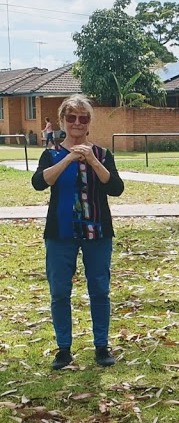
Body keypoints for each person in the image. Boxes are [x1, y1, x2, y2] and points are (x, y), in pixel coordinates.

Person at [31, 95, 125, 369]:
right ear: (62, 121)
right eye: (70, 117)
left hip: (97, 231)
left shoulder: (103, 154)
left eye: (83, 118)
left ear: (89, 123)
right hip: (60, 233)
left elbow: (115, 188)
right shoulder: (51, 154)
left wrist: (92, 161)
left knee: (99, 290)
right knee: (60, 291)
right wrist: (69, 157)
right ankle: (63, 349)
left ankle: (101, 346)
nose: (76, 122)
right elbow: (39, 182)